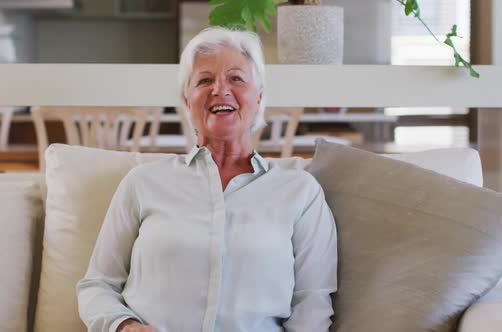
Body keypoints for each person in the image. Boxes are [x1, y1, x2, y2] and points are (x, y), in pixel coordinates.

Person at [77, 27, 337, 332]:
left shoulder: (300, 192)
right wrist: (125, 327)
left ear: (259, 97)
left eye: (236, 78)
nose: (220, 89)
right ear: (187, 101)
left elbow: (313, 303)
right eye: (204, 80)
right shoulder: (142, 183)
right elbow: (96, 285)